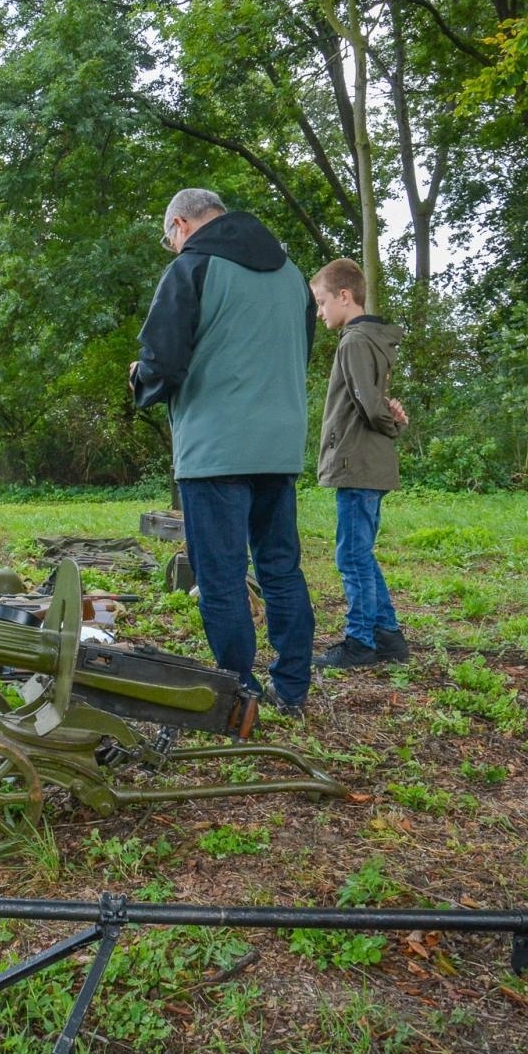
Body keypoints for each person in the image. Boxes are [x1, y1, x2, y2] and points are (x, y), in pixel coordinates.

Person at [129, 188, 316, 716]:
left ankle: (240, 692)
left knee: (221, 576)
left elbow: (162, 361)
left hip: (215, 449)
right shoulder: (293, 276)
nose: (173, 247)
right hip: (278, 447)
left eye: (171, 238)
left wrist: (139, 380)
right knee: (281, 568)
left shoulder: (193, 269)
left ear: (182, 224)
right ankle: (293, 688)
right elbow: (297, 354)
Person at [308, 258, 411, 668]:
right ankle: (388, 637)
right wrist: (393, 419)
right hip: (368, 461)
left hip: (357, 461)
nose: (319, 312)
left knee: (351, 556)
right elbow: (376, 402)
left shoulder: (353, 341)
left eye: (321, 302)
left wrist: (389, 420)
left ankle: (360, 642)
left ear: (345, 297)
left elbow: (369, 405)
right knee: (361, 553)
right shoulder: (373, 339)